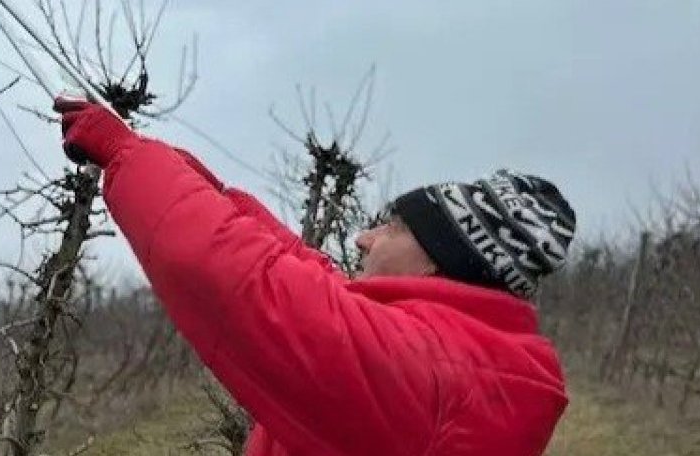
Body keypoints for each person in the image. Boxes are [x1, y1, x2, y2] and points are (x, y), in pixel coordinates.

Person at [54, 97, 577, 456]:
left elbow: (250, 282)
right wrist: (203, 188)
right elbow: (308, 272)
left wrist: (129, 159)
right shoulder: (472, 362)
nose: (364, 238)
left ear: (439, 263)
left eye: (394, 227)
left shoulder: (431, 376)